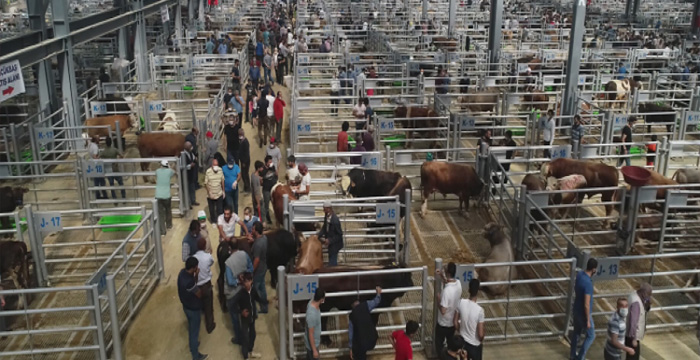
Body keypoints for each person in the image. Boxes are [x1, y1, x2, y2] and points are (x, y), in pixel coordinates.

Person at [224, 237, 254, 347]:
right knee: (245, 312)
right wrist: (244, 278)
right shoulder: (244, 255)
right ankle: (248, 334)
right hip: (243, 291)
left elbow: (230, 281)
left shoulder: (228, 263)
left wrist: (238, 280)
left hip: (232, 294)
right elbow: (250, 269)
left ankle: (239, 338)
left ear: (229, 248)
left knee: (235, 317)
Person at [178, 257, 209, 360]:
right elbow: (199, 294)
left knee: (192, 327)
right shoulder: (188, 282)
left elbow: (193, 284)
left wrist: (195, 276)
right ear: (194, 267)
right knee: (194, 331)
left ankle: (193, 345)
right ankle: (196, 355)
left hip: (186, 306)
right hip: (193, 309)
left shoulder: (182, 273)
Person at [571, 257, 598, 360]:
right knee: (591, 335)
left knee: (576, 333)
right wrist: (588, 320)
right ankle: (580, 357)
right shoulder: (588, 284)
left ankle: (573, 355)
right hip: (583, 313)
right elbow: (586, 304)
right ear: (594, 269)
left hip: (576, 309)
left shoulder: (580, 275)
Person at [435, 262, 462, 355]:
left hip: (443, 323)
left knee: (439, 345)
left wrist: (438, 300)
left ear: (448, 273)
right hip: (452, 323)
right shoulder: (458, 284)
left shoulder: (446, 292)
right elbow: (449, 283)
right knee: (451, 345)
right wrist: (442, 277)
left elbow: (443, 311)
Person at [455, 278, 485, 360]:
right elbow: (480, 334)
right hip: (474, 345)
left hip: (463, 343)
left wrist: (460, 330)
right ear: (478, 291)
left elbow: (455, 322)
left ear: (468, 289)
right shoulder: (480, 311)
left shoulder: (461, 302)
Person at [348, 287, 382, 360]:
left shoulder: (352, 316)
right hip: (372, 340)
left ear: (352, 305)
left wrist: (351, 348)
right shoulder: (366, 305)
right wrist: (378, 293)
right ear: (358, 301)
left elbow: (351, 334)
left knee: (358, 351)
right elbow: (376, 301)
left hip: (361, 344)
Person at [193, 237, 216, 334]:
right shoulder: (208, 257)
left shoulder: (193, 258)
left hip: (197, 285)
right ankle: (210, 325)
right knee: (209, 305)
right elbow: (211, 262)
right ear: (204, 246)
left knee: (199, 303)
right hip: (206, 284)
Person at [237, 272, 262, 359]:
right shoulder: (240, 293)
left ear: (251, 281)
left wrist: (268, 301)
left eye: (249, 281)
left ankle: (250, 351)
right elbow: (233, 306)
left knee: (253, 335)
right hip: (245, 319)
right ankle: (245, 356)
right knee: (245, 337)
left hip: (252, 316)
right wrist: (241, 312)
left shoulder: (253, 290)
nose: (247, 283)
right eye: (245, 282)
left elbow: (259, 299)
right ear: (243, 282)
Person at [626, 283, 653, 360]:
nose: (649, 296)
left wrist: (647, 304)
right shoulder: (636, 304)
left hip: (631, 335)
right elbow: (633, 322)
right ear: (643, 292)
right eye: (648, 294)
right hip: (633, 337)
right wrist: (634, 339)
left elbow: (646, 308)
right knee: (633, 358)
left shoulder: (634, 294)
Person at [250, 221, 269, 313]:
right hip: (264, 267)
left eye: (253, 229)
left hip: (258, 270)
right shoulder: (264, 238)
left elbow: (256, 260)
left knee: (253, 290)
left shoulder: (258, 245)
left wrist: (251, 271)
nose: (252, 230)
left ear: (256, 231)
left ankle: (254, 310)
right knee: (262, 288)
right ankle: (265, 308)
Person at [100, 137, 125, 203]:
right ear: (111, 142)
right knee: (121, 183)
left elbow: (98, 158)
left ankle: (115, 199)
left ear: (106, 143)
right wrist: (117, 161)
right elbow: (121, 156)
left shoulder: (104, 152)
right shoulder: (114, 150)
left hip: (108, 170)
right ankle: (123, 198)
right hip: (115, 168)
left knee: (111, 185)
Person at [318, 200, 343, 265]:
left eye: (324, 209)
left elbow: (339, 235)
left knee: (332, 261)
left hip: (335, 244)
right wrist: (319, 235)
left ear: (329, 209)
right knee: (331, 258)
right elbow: (325, 227)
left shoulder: (335, 220)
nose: (323, 210)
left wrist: (330, 240)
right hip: (332, 244)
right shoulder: (327, 217)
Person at [154, 160, 175, 234]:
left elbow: (156, 173)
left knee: (160, 213)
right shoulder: (169, 171)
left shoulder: (157, 171)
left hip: (158, 195)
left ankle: (162, 231)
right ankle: (169, 225)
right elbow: (173, 172)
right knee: (168, 210)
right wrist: (169, 167)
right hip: (167, 195)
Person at [305, 288, 326, 360]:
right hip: (312, 345)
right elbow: (310, 334)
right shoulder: (312, 315)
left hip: (312, 344)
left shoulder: (311, 303)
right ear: (321, 299)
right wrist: (314, 350)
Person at [205, 159, 225, 224]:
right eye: (214, 165)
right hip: (211, 194)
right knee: (211, 210)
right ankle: (213, 221)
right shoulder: (208, 172)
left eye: (217, 165)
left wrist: (223, 191)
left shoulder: (220, 170)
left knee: (220, 209)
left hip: (219, 193)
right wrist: (209, 192)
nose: (216, 166)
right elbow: (206, 183)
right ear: (212, 165)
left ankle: (220, 221)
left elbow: (222, 181)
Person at [87, 135, 108, 200]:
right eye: (98, 139)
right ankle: (104, 195)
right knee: (101, 181)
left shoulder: (90, 145)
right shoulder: (95, 147)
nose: (99, 140)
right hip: (97, 165)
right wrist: (99, 158)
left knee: (96, 181)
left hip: (92, 164)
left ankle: (97, 195)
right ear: (96, 140)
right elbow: (94, 156)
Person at [261, 155, 278, 225]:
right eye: (270, 162)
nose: (271, 163)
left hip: (273, 188)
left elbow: (275, 175)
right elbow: (261, 178)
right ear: (266, 163)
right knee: (266, 205)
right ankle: (267, 219)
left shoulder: (273, 167)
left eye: (271, 161)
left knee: (275, 204)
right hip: (266, 190)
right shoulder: (263, 169)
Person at [184, 141, 199, 208]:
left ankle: (193, 200)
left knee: (192, 188)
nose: (191, 147)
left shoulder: (190, 153)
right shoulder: (182, 155)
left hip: (191, 174)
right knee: (186, 190)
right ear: (187, 147)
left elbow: (193, 158)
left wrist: (195, 160)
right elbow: (182, 166)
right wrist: (190, 166)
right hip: (186, 175)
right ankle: (188, 203)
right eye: (190, 146)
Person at [239, 128, 251, 193]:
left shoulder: (245, 142)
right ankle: (245, 187)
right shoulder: (241, 141)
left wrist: (244, 162)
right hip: (242, 160)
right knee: (243, 174)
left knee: (245, 174)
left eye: (241, 134)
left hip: (245, 161)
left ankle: (248, 188)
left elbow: (246, 153)